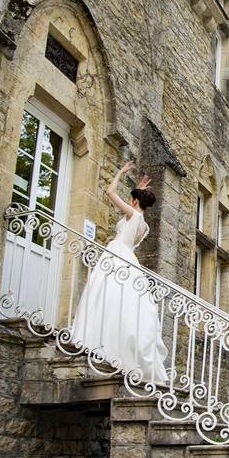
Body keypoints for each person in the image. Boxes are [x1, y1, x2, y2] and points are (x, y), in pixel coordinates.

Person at [70, 162, 168, 385]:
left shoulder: (132, 215)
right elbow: (133, 209)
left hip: (115, 256)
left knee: (104, 299)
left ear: (134, 201)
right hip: (129, 260)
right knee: (119, 305)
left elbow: (109, 192)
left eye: (133, 198)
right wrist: (138, 187)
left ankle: (96, 342)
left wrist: (121, 173)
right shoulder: (145, 225)